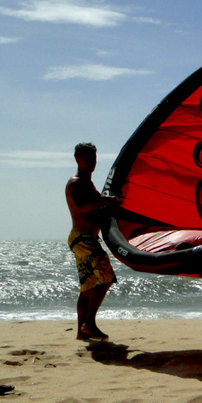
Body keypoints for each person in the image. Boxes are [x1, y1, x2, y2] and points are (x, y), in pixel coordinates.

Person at [65, 142, 118, 341]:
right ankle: (90, 324)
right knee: (106, 277)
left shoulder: (87, 182)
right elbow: (82, 206)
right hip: (83, 238)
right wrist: (104, 201)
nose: (92, 163)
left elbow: (96, 206)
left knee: (88, 286)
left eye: (94, 159)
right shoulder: (77, 182)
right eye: (87, 159)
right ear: (77, 159)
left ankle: (81, 331)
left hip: (84, 238)